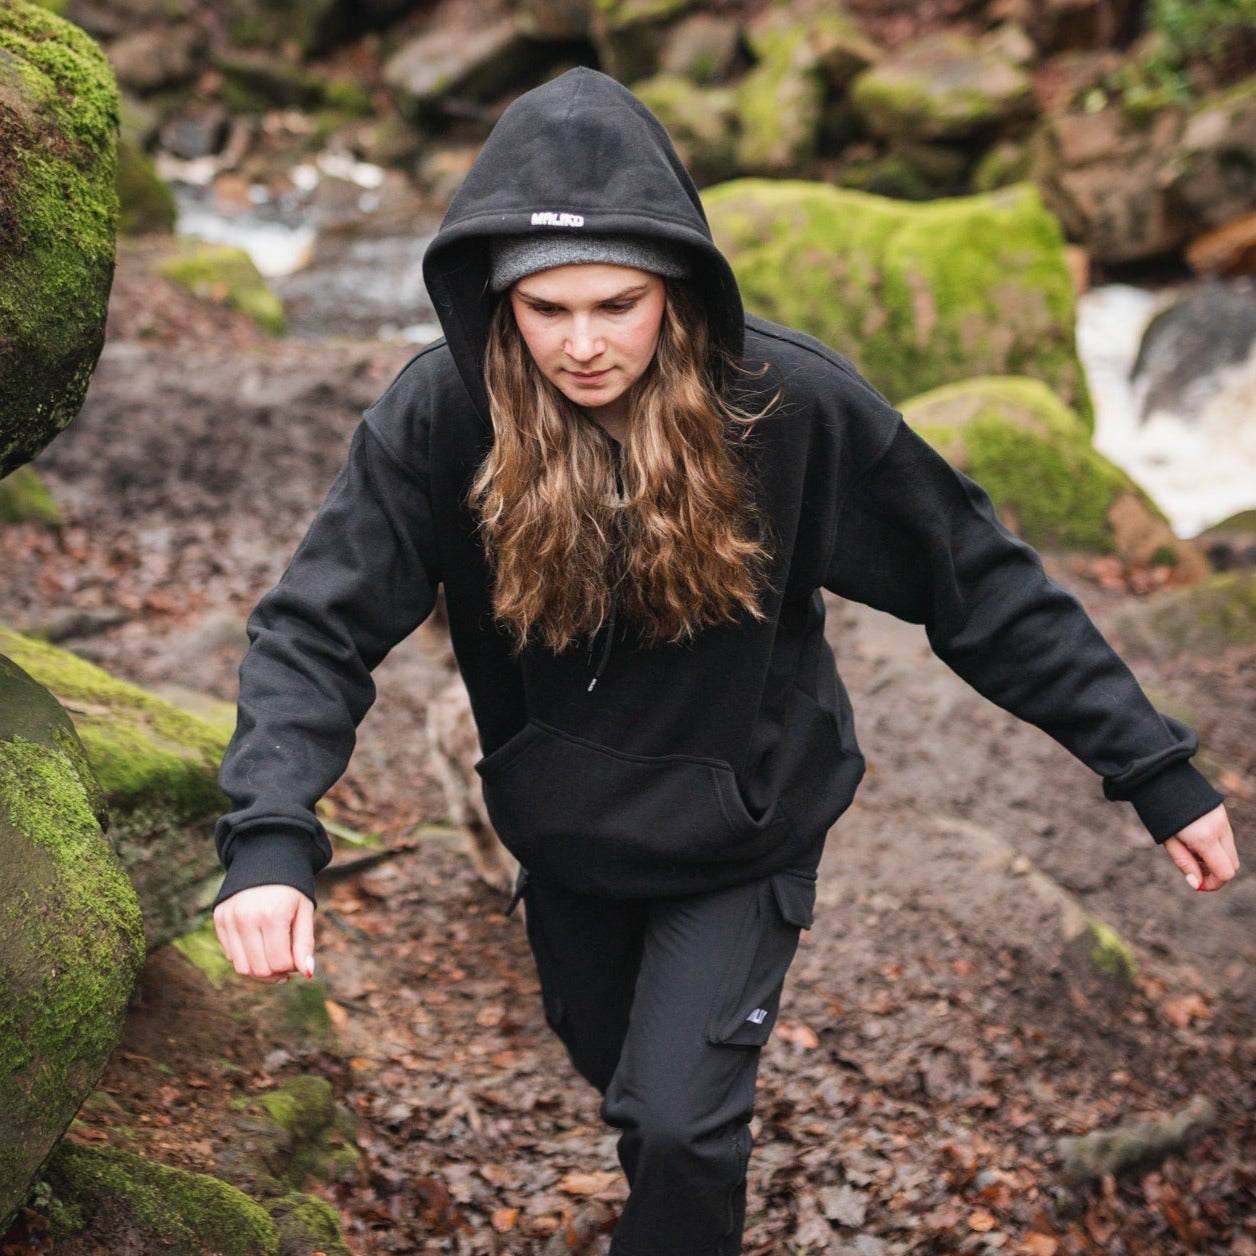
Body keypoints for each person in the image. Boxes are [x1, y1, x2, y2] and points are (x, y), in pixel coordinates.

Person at [212, 67, 1239, 1255]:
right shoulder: (440, 417)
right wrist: (272, 839)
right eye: (548, 311)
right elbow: (315, 627)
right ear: (497, 304)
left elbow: (982, 587)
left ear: (675, 287)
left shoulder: (785, 406)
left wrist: (1151, 768)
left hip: (742, 822)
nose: (583, 345)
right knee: (622, 1083)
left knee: (677, 1126)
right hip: (566, 831)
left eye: (616, 304)